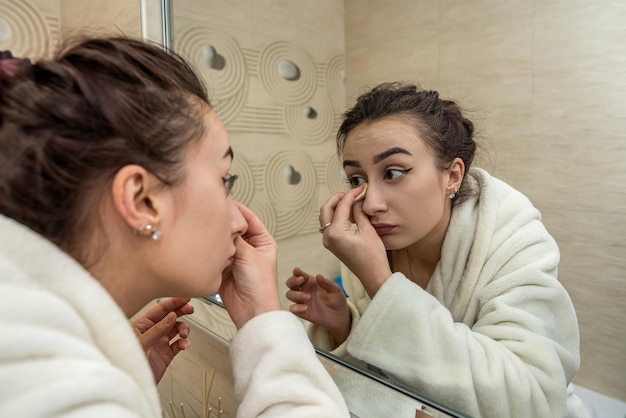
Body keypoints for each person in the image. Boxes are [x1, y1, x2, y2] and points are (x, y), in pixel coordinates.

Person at [0, 37, 349, 417]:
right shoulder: (60, 391)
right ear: (142, 200)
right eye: (224, 179)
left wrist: (118, 373)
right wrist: (263, 317)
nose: (240, 221)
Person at [286, 82, 589, 418]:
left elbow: (531, 400)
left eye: (394, 172)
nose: (370, 203)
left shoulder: (513, 238)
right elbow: (389, 372)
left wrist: (381, 283)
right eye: (357, 179)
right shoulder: (370, 244)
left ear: (453, 176)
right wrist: (344, 324)